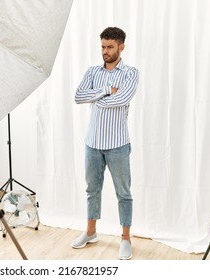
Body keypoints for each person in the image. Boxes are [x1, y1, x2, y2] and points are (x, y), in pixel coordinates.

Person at [72, 27, 139, 260]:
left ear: (121, 47)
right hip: (92, 143)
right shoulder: (92, 71)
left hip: (118, 143)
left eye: (110, 47)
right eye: (102, 46)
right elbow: (79, 96)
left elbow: (122, 98)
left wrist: (97, 97)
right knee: (92, 189)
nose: (105, 51)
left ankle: (125, 238)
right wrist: (105, 91)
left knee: (123, 193)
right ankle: (91, 233)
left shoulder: (130, 73)